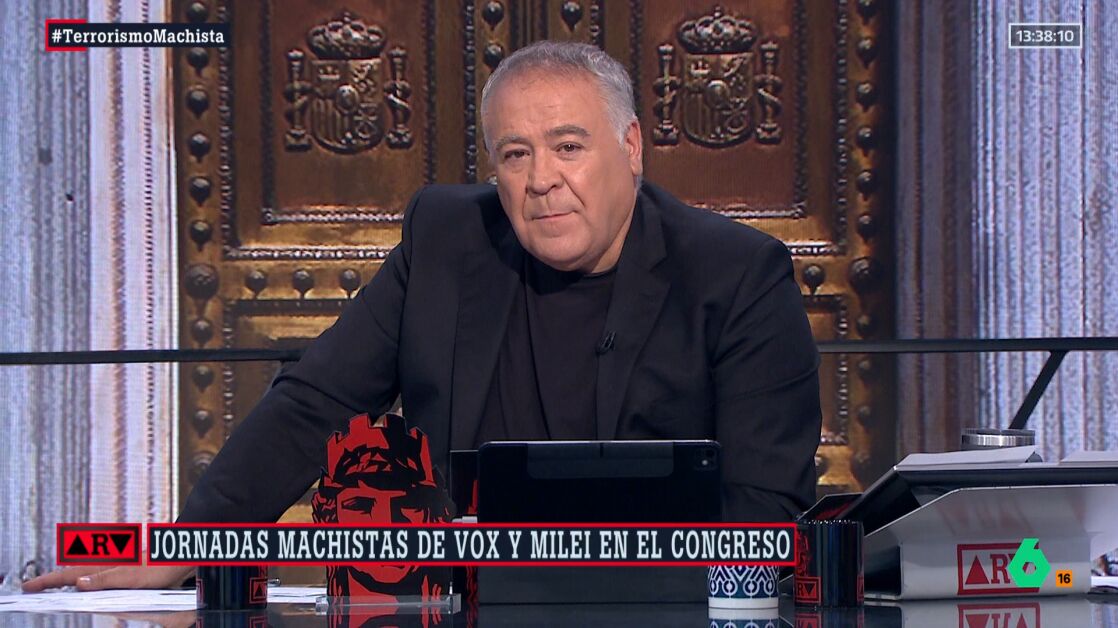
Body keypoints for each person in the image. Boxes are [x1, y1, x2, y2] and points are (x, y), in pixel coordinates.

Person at [24, 40, 821, 592]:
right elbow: (315, 405)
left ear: (633, 147)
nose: (542, 179)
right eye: (515, 154)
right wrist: (187, 546)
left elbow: (764, 509)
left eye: (569, 146)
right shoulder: (449, 241)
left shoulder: (735, 275)